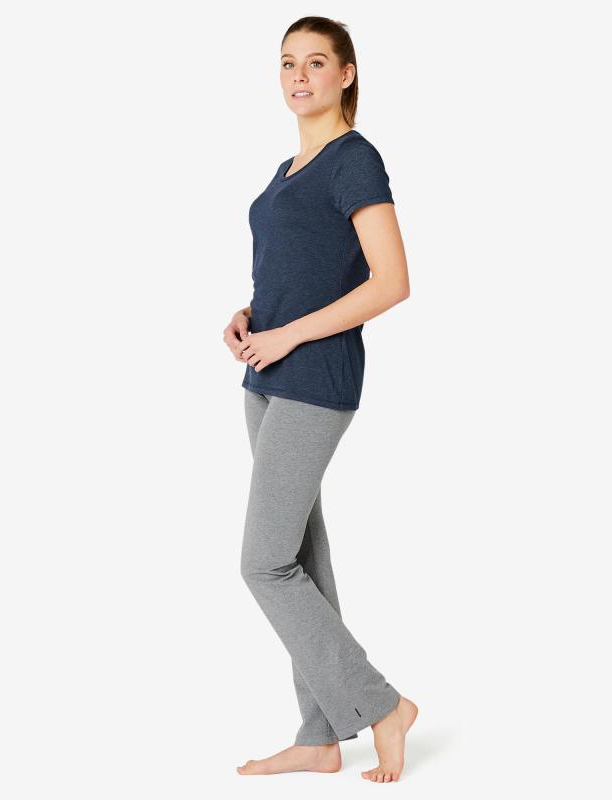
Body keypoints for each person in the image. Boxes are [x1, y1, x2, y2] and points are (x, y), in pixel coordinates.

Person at [222, 17, 418, 783]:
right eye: (287, 63)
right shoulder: (287, 169)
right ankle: (320, 735)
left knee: (263, 563)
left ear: (346, 74)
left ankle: (382, 705)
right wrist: (250, 317)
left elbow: (391, 282)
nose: (298, 76)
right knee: (300, 555)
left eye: (314, 62)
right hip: (265, 375)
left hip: (314, 380)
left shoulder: (354, 160)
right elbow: (298, 269)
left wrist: (289, 336)